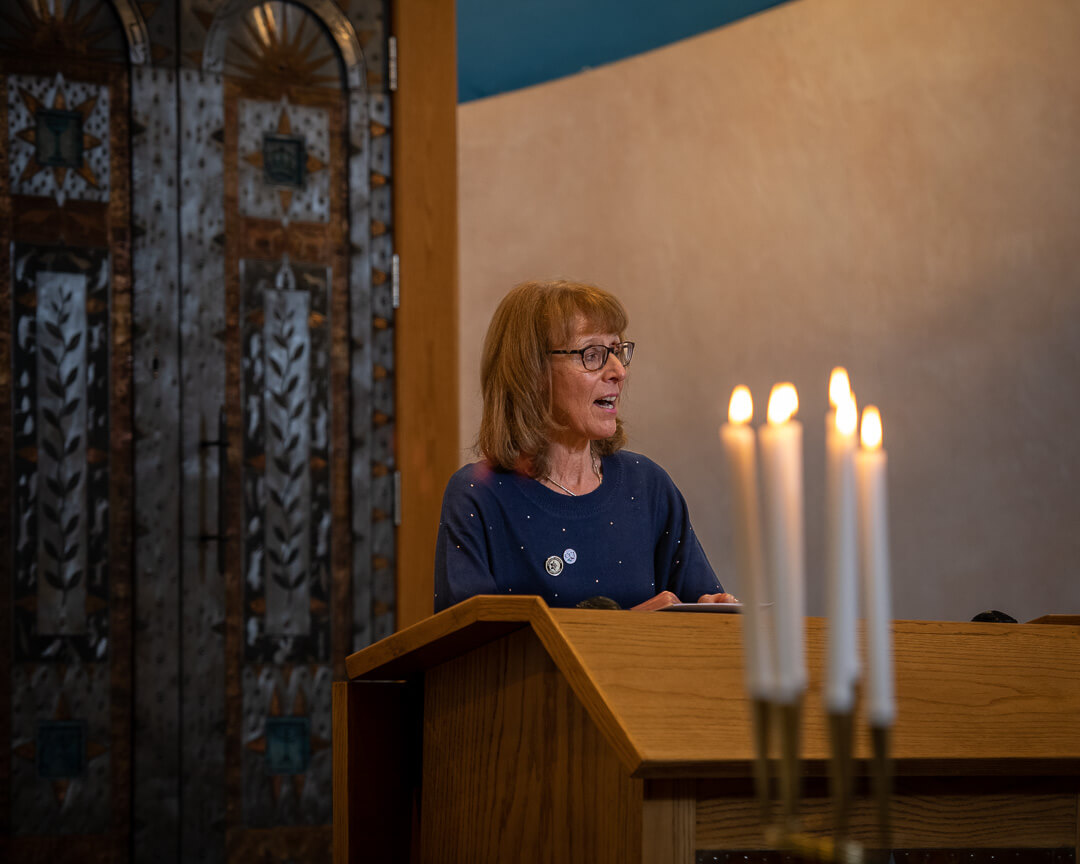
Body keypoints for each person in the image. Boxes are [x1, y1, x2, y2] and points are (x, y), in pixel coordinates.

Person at [434, 279, 736, 612]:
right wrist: (630, 630)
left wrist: (716, 613)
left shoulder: (648, 485)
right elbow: (472, 644)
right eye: (592, 355)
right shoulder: (477, 495)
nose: (618, 371)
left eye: (617, 351)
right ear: (531, 372)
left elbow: (701, 613)